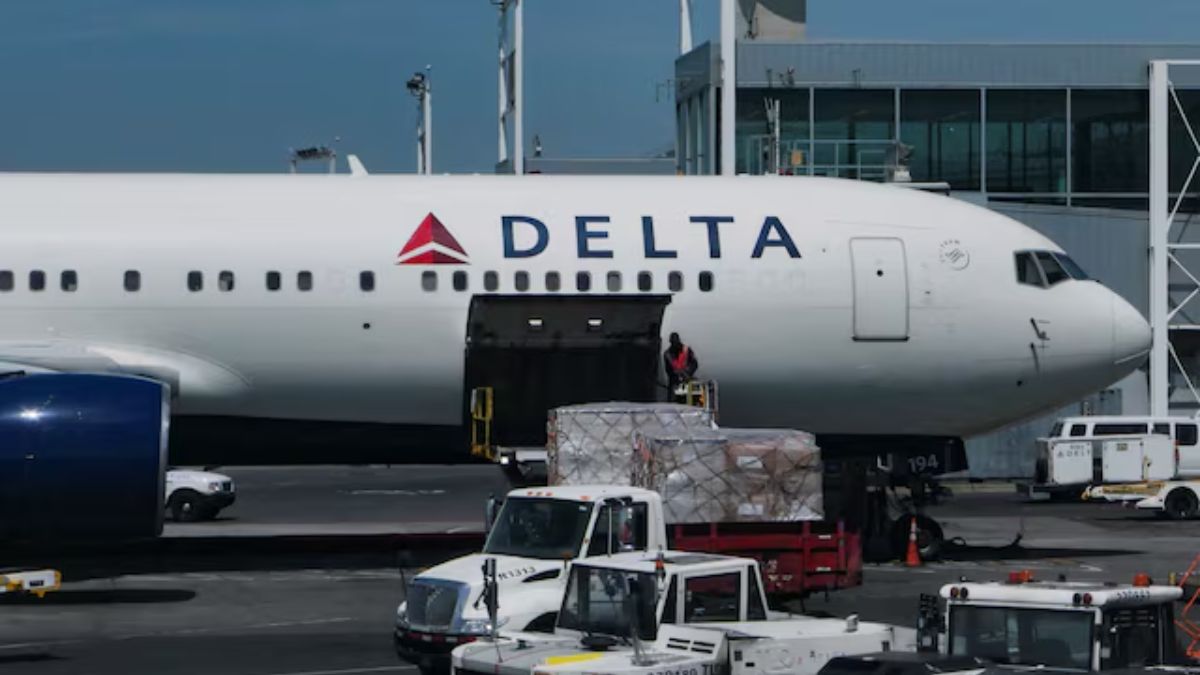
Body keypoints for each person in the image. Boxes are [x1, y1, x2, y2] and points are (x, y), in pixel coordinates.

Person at [663, 332, 698, 402]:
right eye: (673, 341)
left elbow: (694, 363)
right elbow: (668, 369)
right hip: (675, 381)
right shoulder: (667, 354)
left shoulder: (686, 350)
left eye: (675, 341)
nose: (674, 343)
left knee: (689, 400)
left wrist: (688, 372)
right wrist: (676, 375)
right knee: (674, 401)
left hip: (687, 379)